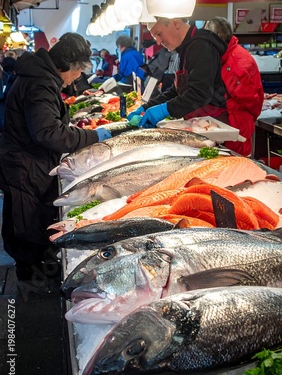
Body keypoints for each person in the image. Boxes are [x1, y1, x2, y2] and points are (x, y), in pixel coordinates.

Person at [0, 32, 111, 293]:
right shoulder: (40, 82)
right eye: (79, 70)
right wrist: (94, 136)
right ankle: (29, 291)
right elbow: (47, 132)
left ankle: (34, 280)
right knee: (26, 225)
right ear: (67, 65)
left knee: (30, 220)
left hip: (28, 161)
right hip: (24, 165)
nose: (78, 76)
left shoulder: (40, 75)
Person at [127, 18, 227, 127]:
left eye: (159, 34)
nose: (158, 42)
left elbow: (200, 94)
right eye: (155, 37)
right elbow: (177, 91)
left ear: (176, 23)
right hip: (198, 122)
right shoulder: (185, 48)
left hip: (214, 126)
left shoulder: (201, 46)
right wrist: (146, 107)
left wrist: (165, 110)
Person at [205, 17, 264, 156]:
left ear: (217, 39)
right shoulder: (223, 54)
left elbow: (252, 103)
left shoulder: (237, 63)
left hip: (237, 127)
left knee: (236, 167)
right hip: (225, 125)